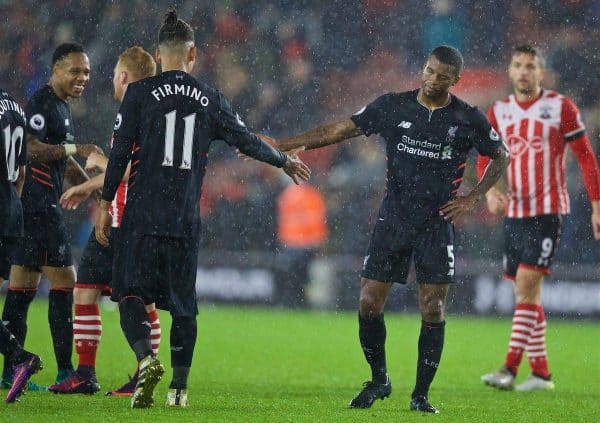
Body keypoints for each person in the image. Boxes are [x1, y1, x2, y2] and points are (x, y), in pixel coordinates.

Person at [264, 46, 510, 413]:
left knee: (433, 307)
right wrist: (285, 144)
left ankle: (421, 395)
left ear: (455, 80)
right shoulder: (394, 105)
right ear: (423, 69)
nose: (432, 79)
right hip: (393, 218)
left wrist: (473, 198)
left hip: (436, 222)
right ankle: (379, 379)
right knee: (368, 302)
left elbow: (501, 154)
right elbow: (340, 129)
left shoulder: (467, 117)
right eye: (429, 71)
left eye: (443, 76)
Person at [94, 9, 310, 409]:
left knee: (129, 294)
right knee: (183, 306)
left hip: (142, 215)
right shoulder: (211, 98)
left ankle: (145, 360)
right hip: (184, 218)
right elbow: (245, 140)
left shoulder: (140, 94)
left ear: (160, 55)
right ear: (193, 54)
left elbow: (120, 150)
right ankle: (179, 388)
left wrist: (106, 202)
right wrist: (282, 159)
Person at [478, 45, 600, 391]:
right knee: (526, 294)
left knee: (527, 286)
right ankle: (541, 374)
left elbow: (587, 158)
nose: (523, 71)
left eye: (530, 66)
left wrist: (597, 205)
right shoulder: (499, 111)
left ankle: (509, 369)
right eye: (517, 65)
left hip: (547, 210)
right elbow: (486, 158)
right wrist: (490, 191)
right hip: (514, 212)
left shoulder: (560, 107)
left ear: (540, 73)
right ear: (510, 71)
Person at [48, 46, 160, 396]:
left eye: (113, 73)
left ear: (124, 77)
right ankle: (90, 373)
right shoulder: (149, 111)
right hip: (125, 219)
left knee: (134, 299)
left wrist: (99, 166)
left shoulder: (137, 113)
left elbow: (129, 171)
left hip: (127, 223)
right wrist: (90, 186)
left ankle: (135, 369)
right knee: (88, 291)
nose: (111, 79)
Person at [1, 42, 102, 389]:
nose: (82, 77)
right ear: (56, 69)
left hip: (28, 210)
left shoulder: (61, 107)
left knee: (22, 288)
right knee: (66, 284)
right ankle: (64, 370)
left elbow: (64, 161)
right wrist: (78, 148)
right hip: (39, 208)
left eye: (86, 71)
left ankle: (10, 372)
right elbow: (30, 148)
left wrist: (94, 188)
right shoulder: (44, 104)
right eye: (75, 70)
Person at [0, 88, 43, 403]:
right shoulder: (15, 107)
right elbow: (22, 174)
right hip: (11, 209)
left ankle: (18, 356)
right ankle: (13, 365)